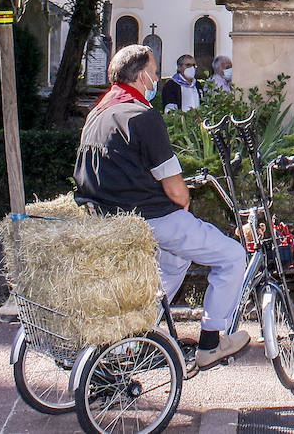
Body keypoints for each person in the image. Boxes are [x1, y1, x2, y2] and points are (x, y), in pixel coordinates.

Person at [74, 45, 249, 369]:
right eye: (154, 72)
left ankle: (137, 333)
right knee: (232, 257)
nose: (157, 78)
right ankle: (211, 342)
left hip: (107, 215)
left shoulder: (98, 112)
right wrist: (183, 199)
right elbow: (176, 191)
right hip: (150, 217)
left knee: (175, 261)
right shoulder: (142, 116)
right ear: (141, 75)